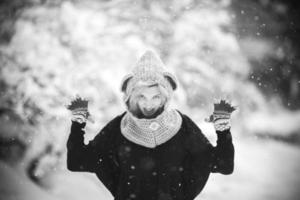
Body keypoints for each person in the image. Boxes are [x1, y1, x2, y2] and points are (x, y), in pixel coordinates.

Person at [66, 50, 235, 200]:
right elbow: (77, 161)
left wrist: (223, 131)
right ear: (130, 97)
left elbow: (222, 164)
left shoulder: (182, 127)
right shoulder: (118, 128)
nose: (148, 105)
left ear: (165, 97)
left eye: (155, 97)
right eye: (141, 97)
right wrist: (77, 125)